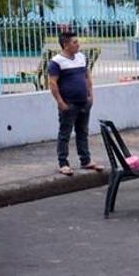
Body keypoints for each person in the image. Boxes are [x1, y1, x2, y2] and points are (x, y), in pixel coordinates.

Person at [48, 31, 103, 176]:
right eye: (74, 42)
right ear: (65, 45)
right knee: (65, 133)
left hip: (84, 102)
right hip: (68, 103)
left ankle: (85, 160)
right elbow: (52, 83)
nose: (78, 44)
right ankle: (63, 163)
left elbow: (87, 76)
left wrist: (90, 94)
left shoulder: (81, 57)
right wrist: (60, 102)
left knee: (82, 132)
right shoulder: (56, 62)